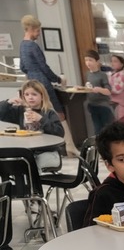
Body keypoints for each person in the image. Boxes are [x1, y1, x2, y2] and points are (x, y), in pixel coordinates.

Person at [18, 14, 77, 157]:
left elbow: (22, 67)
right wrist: (57, 78)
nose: (38, 34)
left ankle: (60, 147)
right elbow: (44, 67)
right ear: (31, 29)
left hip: (31, 81)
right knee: (59, 114)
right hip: (43, 82)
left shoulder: (22, 45)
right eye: (37, 30)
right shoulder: (33, 46)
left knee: (39, 113)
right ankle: (69, 147)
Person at [0, 79, 64, 171]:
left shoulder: (49, 113)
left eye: (34, 94)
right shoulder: (21, 111)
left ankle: (33, 184)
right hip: (28, 152)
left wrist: (41, 119)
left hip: (48, 152)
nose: (30, 97)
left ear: (42, 96)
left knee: (31, 165)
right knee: (12, 163)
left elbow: (60, 133)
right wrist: (8, 102)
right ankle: (17, 184)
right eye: (27, 94)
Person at [83, 49, 114, 135]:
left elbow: (108, 91)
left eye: (90, 60)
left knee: (107, 130)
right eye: (86, 60)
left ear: (97, 61)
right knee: (97, 130)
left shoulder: (102, 75)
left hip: (103, 106)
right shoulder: (87, 74)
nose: (88, 63)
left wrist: (99, 89)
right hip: (92, 105)